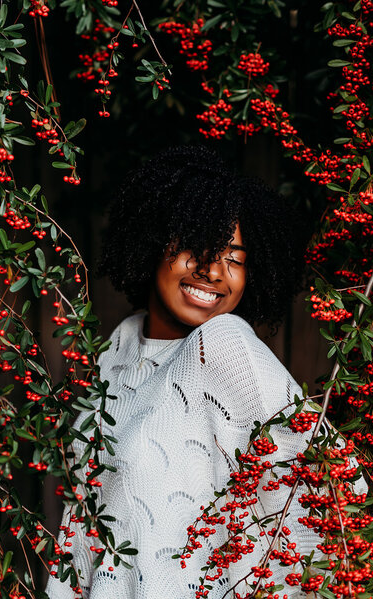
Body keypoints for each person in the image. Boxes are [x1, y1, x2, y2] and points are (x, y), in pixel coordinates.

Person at [46, 145, 316, 599]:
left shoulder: (225, 346)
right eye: (196, 246)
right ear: (154, 244)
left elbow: (331, 483)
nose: (213, 271)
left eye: (234, 257)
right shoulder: (119, 347)